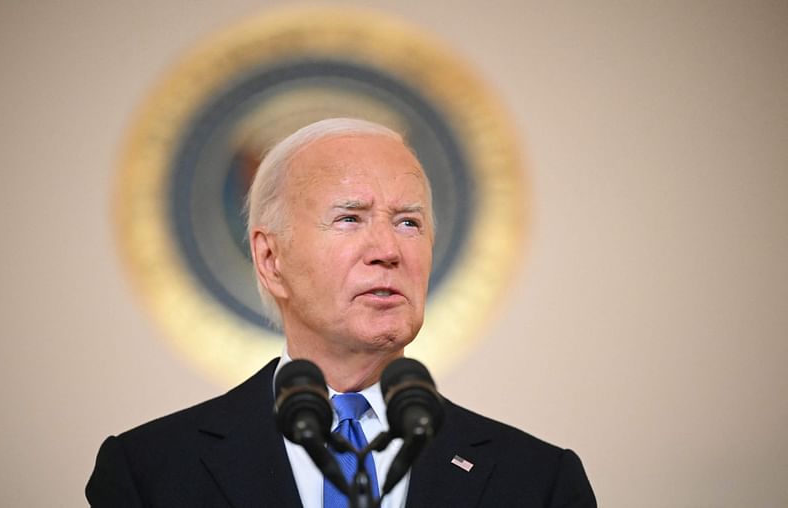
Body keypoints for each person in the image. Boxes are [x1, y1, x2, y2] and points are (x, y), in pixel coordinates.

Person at [86, 118, 596, 507]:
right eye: (350, 218)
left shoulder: (538, 482)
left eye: (408, 222)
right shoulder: (148, 474)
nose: (388, 250)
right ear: (271, 259)